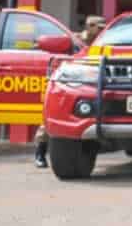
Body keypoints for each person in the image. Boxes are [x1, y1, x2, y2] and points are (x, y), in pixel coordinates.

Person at [33, 15, 105, 168]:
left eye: (102, 27)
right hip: (68, 83)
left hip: (92, 84)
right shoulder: (74, 40)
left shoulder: (104, 43)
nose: (100, 30)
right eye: (98, 27)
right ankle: (40, 152)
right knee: (50, 119)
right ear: (89, 26)